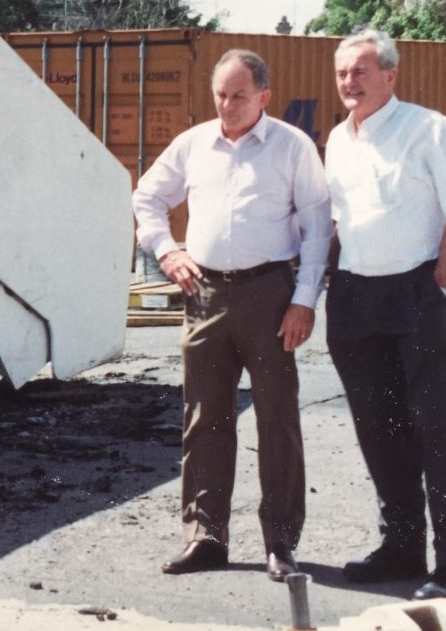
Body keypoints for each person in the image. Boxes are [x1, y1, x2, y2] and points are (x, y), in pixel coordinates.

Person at [133, 49, 331, 581]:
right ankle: (204, 537)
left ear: (264, 97)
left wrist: (304, 299)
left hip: (270, 295)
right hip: (204, 296)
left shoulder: (292, 148)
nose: (227, 104)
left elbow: (317, 227)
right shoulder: (194, 144)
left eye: (239, 95)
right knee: (205, 420)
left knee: (277, 419)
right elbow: (147, 196)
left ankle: (281, 542)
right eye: (220, 94)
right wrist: (166, 250)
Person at [325, 29, 446, 607]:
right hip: (355, 296)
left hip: (416, 293)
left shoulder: (429, 129)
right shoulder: (338, 141)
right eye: (343, 73)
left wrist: (437, 286)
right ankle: (401, 547)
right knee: (379, 429)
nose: (350, 82)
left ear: (390, 74)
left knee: (438, 429)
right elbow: (340, 222)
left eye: (361, 71)